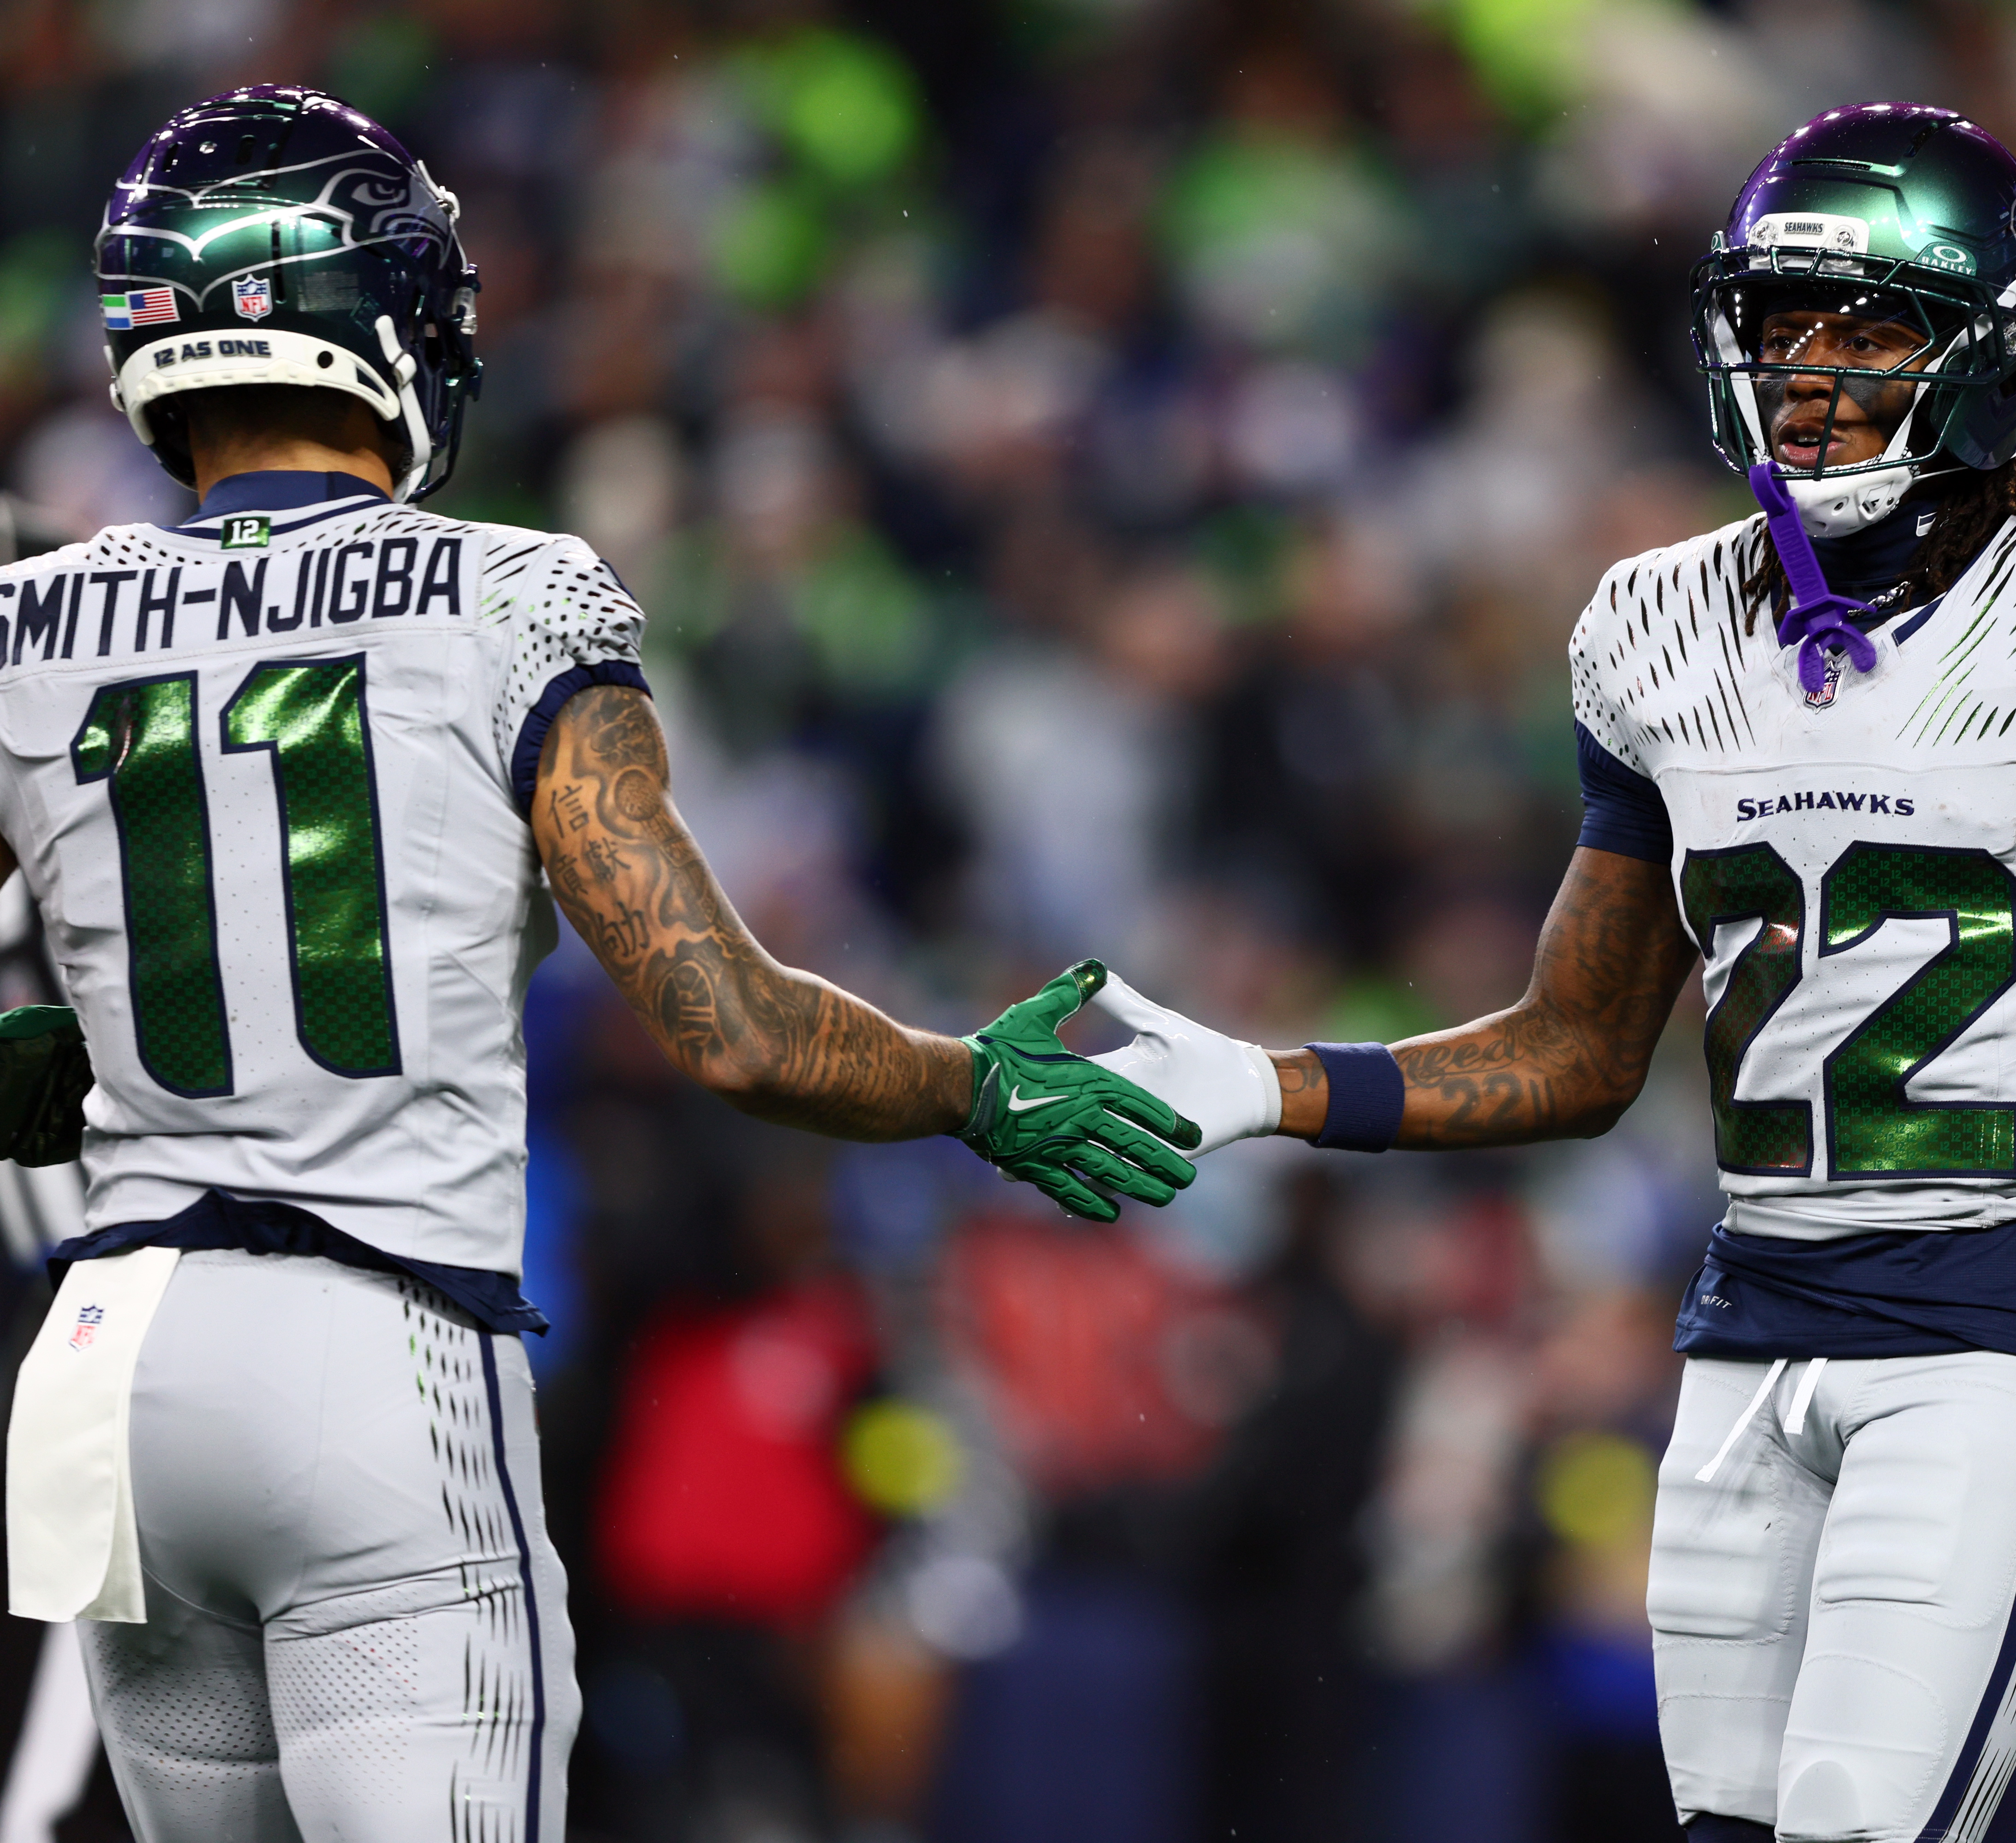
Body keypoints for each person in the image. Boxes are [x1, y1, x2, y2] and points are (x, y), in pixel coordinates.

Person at [1084, 104, 2016, 1843]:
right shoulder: (1659, 629)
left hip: (1992, 1320)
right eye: (1780, 324)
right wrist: (1272, 1086)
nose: (1807, 374)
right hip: (1750, 1327)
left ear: (1992, 348)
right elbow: (1579, 1056)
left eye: (1867, 328)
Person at [0, 86, 1198, 1843]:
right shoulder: (510, 595)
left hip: (102, 1373)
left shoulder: (29, 621)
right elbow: (728, 1027)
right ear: (384, 323)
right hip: (371, 1336)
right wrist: (969, 1082)